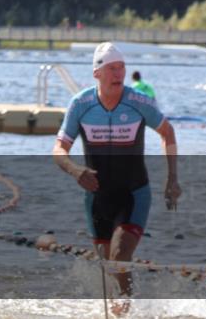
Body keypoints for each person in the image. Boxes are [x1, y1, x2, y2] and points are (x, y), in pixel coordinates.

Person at [53, 42, 180, 315]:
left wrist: (172, 178)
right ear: (97, 73)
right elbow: (59, 150)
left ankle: (125, 313)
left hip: (134, 194)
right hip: (97, 198)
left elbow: (168, 133)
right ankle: (121, 311)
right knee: (108, 269)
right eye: (112, 68)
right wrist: (76, 171)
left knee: (120, 256)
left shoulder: (138, 102)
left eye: (121, 67)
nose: (118, 73)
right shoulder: (81, 104)